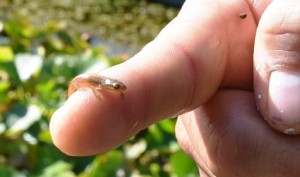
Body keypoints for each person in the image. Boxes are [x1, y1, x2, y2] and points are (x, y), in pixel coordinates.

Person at [50, 0, 300, 176]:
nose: (118, 88)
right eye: (116, 86)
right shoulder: (100, 84)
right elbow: (90, 83)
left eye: (117, 86)